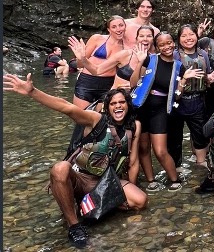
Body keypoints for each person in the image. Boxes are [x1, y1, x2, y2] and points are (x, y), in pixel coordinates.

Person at [2, 76, 147, 248]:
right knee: (60, 168)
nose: (118, 106)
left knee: (140, 201)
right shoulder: (95, 120)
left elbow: (134, 161)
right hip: (81, 178)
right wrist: (33, 92)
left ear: (128, 105)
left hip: (107, 179)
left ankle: (89, 206)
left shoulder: (134, 126)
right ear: (107, 108)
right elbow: (67, 107)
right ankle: (74, 225)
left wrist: (126, 188)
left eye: (121, 102)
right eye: (113, 103)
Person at [130, 32, 203, 192]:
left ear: (173, 43)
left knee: (161, 150)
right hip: (141, 108)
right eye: (161, 45)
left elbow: (177, 97)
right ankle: (151, 180)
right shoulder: (150, 60)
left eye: (169, 43)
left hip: (160, 111)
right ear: (157, 47)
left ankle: (174, 179)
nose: (166, 47)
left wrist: (184, 80)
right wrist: (140, 62)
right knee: (143, 148)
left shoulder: (179, 66)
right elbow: (133, 83)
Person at [168, 24, 214, 169]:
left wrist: (209, 79)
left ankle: (201, 163)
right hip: (177, 101)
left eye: (191, 35)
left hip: (198, 99)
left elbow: (207, 77)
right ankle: (176, 166)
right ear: (178, 39)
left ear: (197, 37)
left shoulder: (203, 54)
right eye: (183, 36)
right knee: (175, 135)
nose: (188, 38)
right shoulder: (174, 55)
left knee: (199, 133)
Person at [68, 26, 156, 91]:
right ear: (136, 39)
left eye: (149, 36)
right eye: (141, 36)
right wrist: (83, 59)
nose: (145, 39)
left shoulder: (156, 60)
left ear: (153, 39)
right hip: (117, 97)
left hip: (140, 100)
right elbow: (97, 70)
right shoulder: (124, 55)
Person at [73, 15, 127, 109]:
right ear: (109, 30)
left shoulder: (127, 47)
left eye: (121, 25)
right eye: (114, 27)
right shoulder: (97, 38)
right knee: (81, 117)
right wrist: (81, 57)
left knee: (103, 119)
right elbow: (80, 64)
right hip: (87, 81)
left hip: (109, 84)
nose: (118, 29)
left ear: (125, 26)